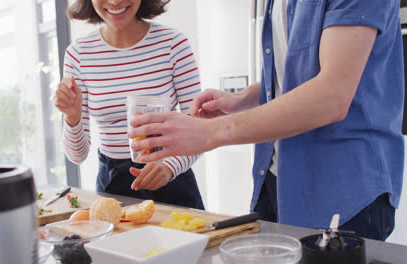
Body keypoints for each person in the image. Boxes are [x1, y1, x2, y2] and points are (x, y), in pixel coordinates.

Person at [128, 0, 404, 241]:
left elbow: (331, 95)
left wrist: (211, 132)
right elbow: (300, 73)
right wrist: (242, 99)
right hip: (278, 181)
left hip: (344, 191)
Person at [53, 0, 204, 210]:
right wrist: (72, 117)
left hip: (171, 181)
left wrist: (169, 167)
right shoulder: (78, 54)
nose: (115, 1)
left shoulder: (173, 44)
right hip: (112, 188)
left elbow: (200, 130)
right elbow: (77, 155)